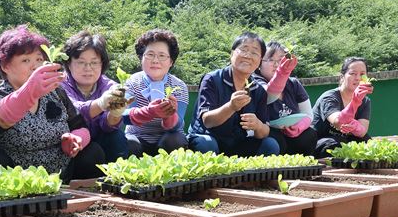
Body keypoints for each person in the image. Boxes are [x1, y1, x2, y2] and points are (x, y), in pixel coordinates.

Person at [0, 25, 105, 182]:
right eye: (26, 60)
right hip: (16, 177)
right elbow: (2, 118)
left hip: (61, 171)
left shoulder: (56, 93)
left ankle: (76, 197)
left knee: (94, 151)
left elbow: (80, 126)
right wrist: (30, 91)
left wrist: (75, 139)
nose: (35, 66)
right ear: (5, 66)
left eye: (39, 59)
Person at [188, 32, 280, 156]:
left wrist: (258, 125)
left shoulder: (258, 90)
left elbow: (264, 131)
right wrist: (231, 107)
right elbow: (207, 121)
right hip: (207, 137)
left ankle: (249, 175)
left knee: (270, 144)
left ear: (259, 61)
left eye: (254, 53)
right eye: (243, 49)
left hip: (238, 142)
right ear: (232, 54)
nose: (248, 55)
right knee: (207, 145)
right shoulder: (212, 79)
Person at [61, 31, 129, 162]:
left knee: (117, 137)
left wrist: (115, 114)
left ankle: (118, 179)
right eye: (81, 62)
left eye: (94, 62)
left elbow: (108, 125)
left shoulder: (110, 86)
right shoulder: (60, 85)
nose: (88, 68)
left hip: (100, 138)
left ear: (102, 64)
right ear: (69, 64)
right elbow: (75, 112)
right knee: (91, 154)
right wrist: (102, 103)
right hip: (71, 142)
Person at [123, 29, 188, 157]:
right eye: (150, 54)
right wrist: (148, 112)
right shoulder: (132, 82)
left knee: (174, 140)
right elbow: (123, 116)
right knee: (128, 143)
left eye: (162, 56)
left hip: (167, 138)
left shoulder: (179, 86)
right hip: (137, 137)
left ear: (171, 62)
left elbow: (177, 125)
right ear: (141, 58)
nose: (155, 60)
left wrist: (169, 114)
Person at [253, 41, 317, 155]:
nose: (276, 64)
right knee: (276, 140)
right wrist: (282, 73)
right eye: (271, 59)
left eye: (281, 60)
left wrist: (299, 126)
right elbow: (268, 96)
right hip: (267, 131)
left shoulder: (293, 84)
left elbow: (308, 114)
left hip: (292, 131)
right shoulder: (255, 82)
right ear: (259, 63)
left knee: (309, 135)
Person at [311, 57, 373, 158]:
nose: (357, 78)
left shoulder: (365, 101)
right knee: (336, 145)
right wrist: (356, 101)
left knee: (368, 143)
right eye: (353, 73)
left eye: (362, 74)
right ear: (342, 76)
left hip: (346, 140)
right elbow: (338, 121)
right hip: (321, 141)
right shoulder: (329, 97)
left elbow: (362, 132)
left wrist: (355, 128)